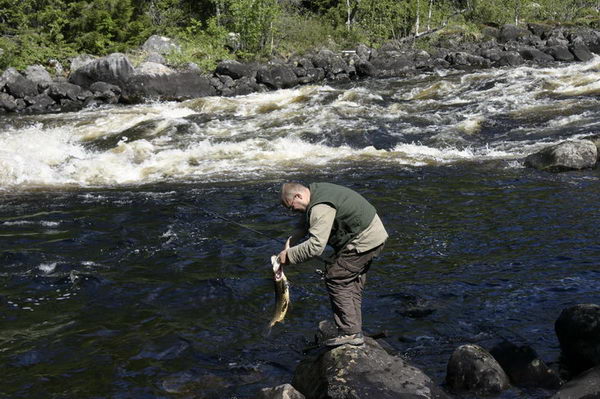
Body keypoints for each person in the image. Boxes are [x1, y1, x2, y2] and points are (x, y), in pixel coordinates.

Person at [278, 182, 388, 347]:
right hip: (373, 233)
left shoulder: (320, 207)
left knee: (336, 277)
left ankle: (351, 332)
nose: (292, 211)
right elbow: (305, 221)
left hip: (365, 239)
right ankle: (354, 328)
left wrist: (289, 256)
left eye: (291, 207)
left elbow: (315, 247)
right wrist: (290, 241)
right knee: (350, 280)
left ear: (298, 196)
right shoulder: (316, 191)